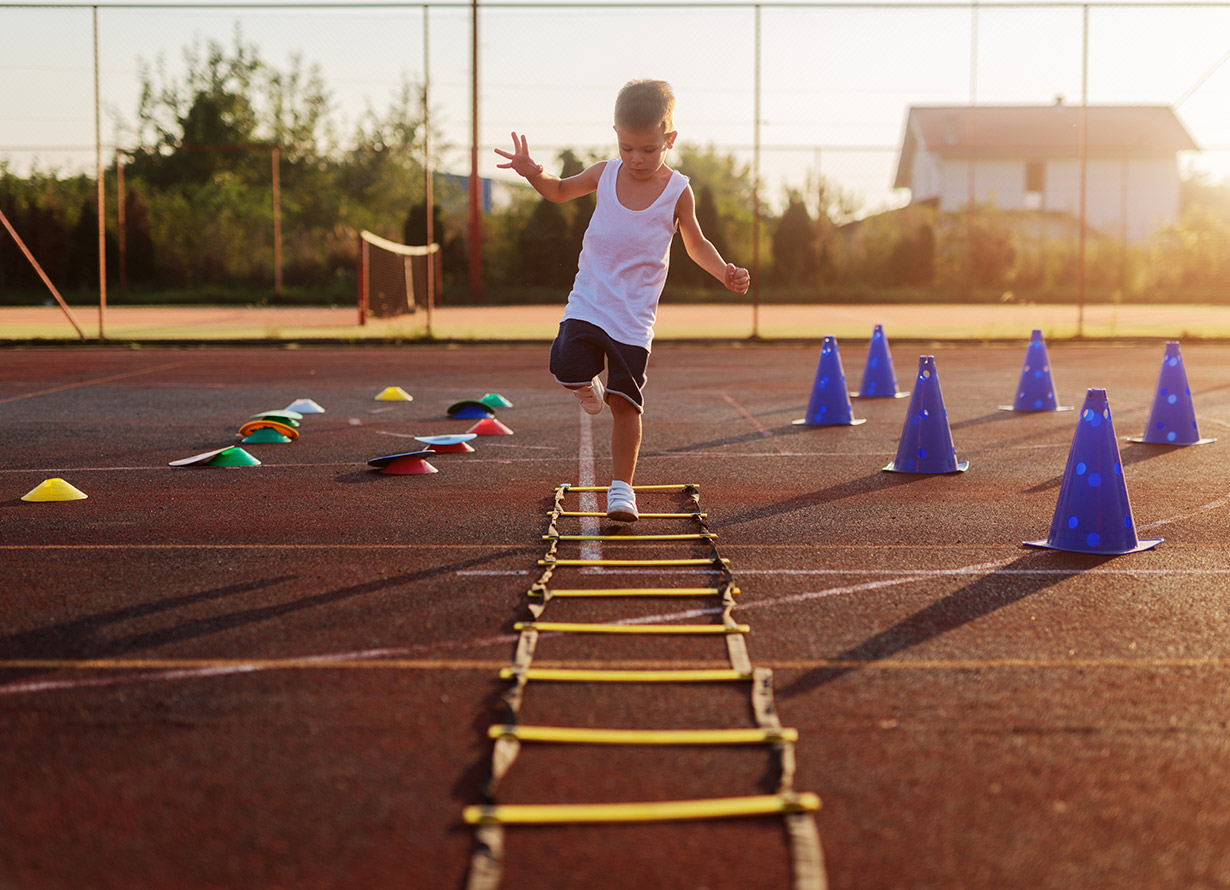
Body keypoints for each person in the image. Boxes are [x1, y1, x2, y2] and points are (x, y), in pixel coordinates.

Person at [495, 79, 750, 522]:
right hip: (590, 301)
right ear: (616, 133)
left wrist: (724, 271)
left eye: (649, 150)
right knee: (565, 365)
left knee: (625, 405)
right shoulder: (604, 173)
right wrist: (533, 172)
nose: (637, 158)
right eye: (627, 147)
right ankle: (585, 389)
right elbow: (558, 191)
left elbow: (695, 243)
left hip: (633, 318)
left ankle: (621, 490)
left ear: (669, 139)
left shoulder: (678, 191)